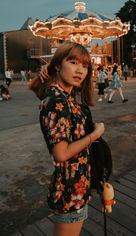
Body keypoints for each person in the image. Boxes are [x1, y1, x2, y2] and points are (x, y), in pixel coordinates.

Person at [29, 41, 105, 236]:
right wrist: (94, 135)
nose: (80, 70)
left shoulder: (62, 96)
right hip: (70, 191)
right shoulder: (57, 100)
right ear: (57, 65)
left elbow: (38, 91)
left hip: (76, 187)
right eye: (73, 62)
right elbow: (61, 154)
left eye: (85, 66)